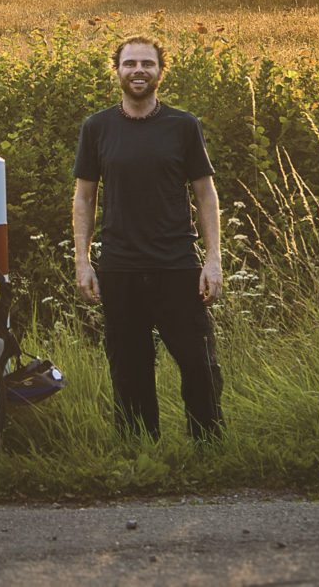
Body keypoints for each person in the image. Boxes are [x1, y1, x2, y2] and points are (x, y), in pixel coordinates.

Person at [72, 35, 224, 439]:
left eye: (147, 64)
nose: (138, 70)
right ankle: (139, 451)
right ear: (117, 70)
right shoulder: (97, 127)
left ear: (160, 71)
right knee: (129, 366)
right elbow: (84, 197)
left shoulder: (183, 126)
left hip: (177, 265)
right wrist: (83, 261)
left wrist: (212, 260)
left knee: (198, 362)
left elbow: (205, 193)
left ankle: (208, 448)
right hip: (120, 266)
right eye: (130, 63)